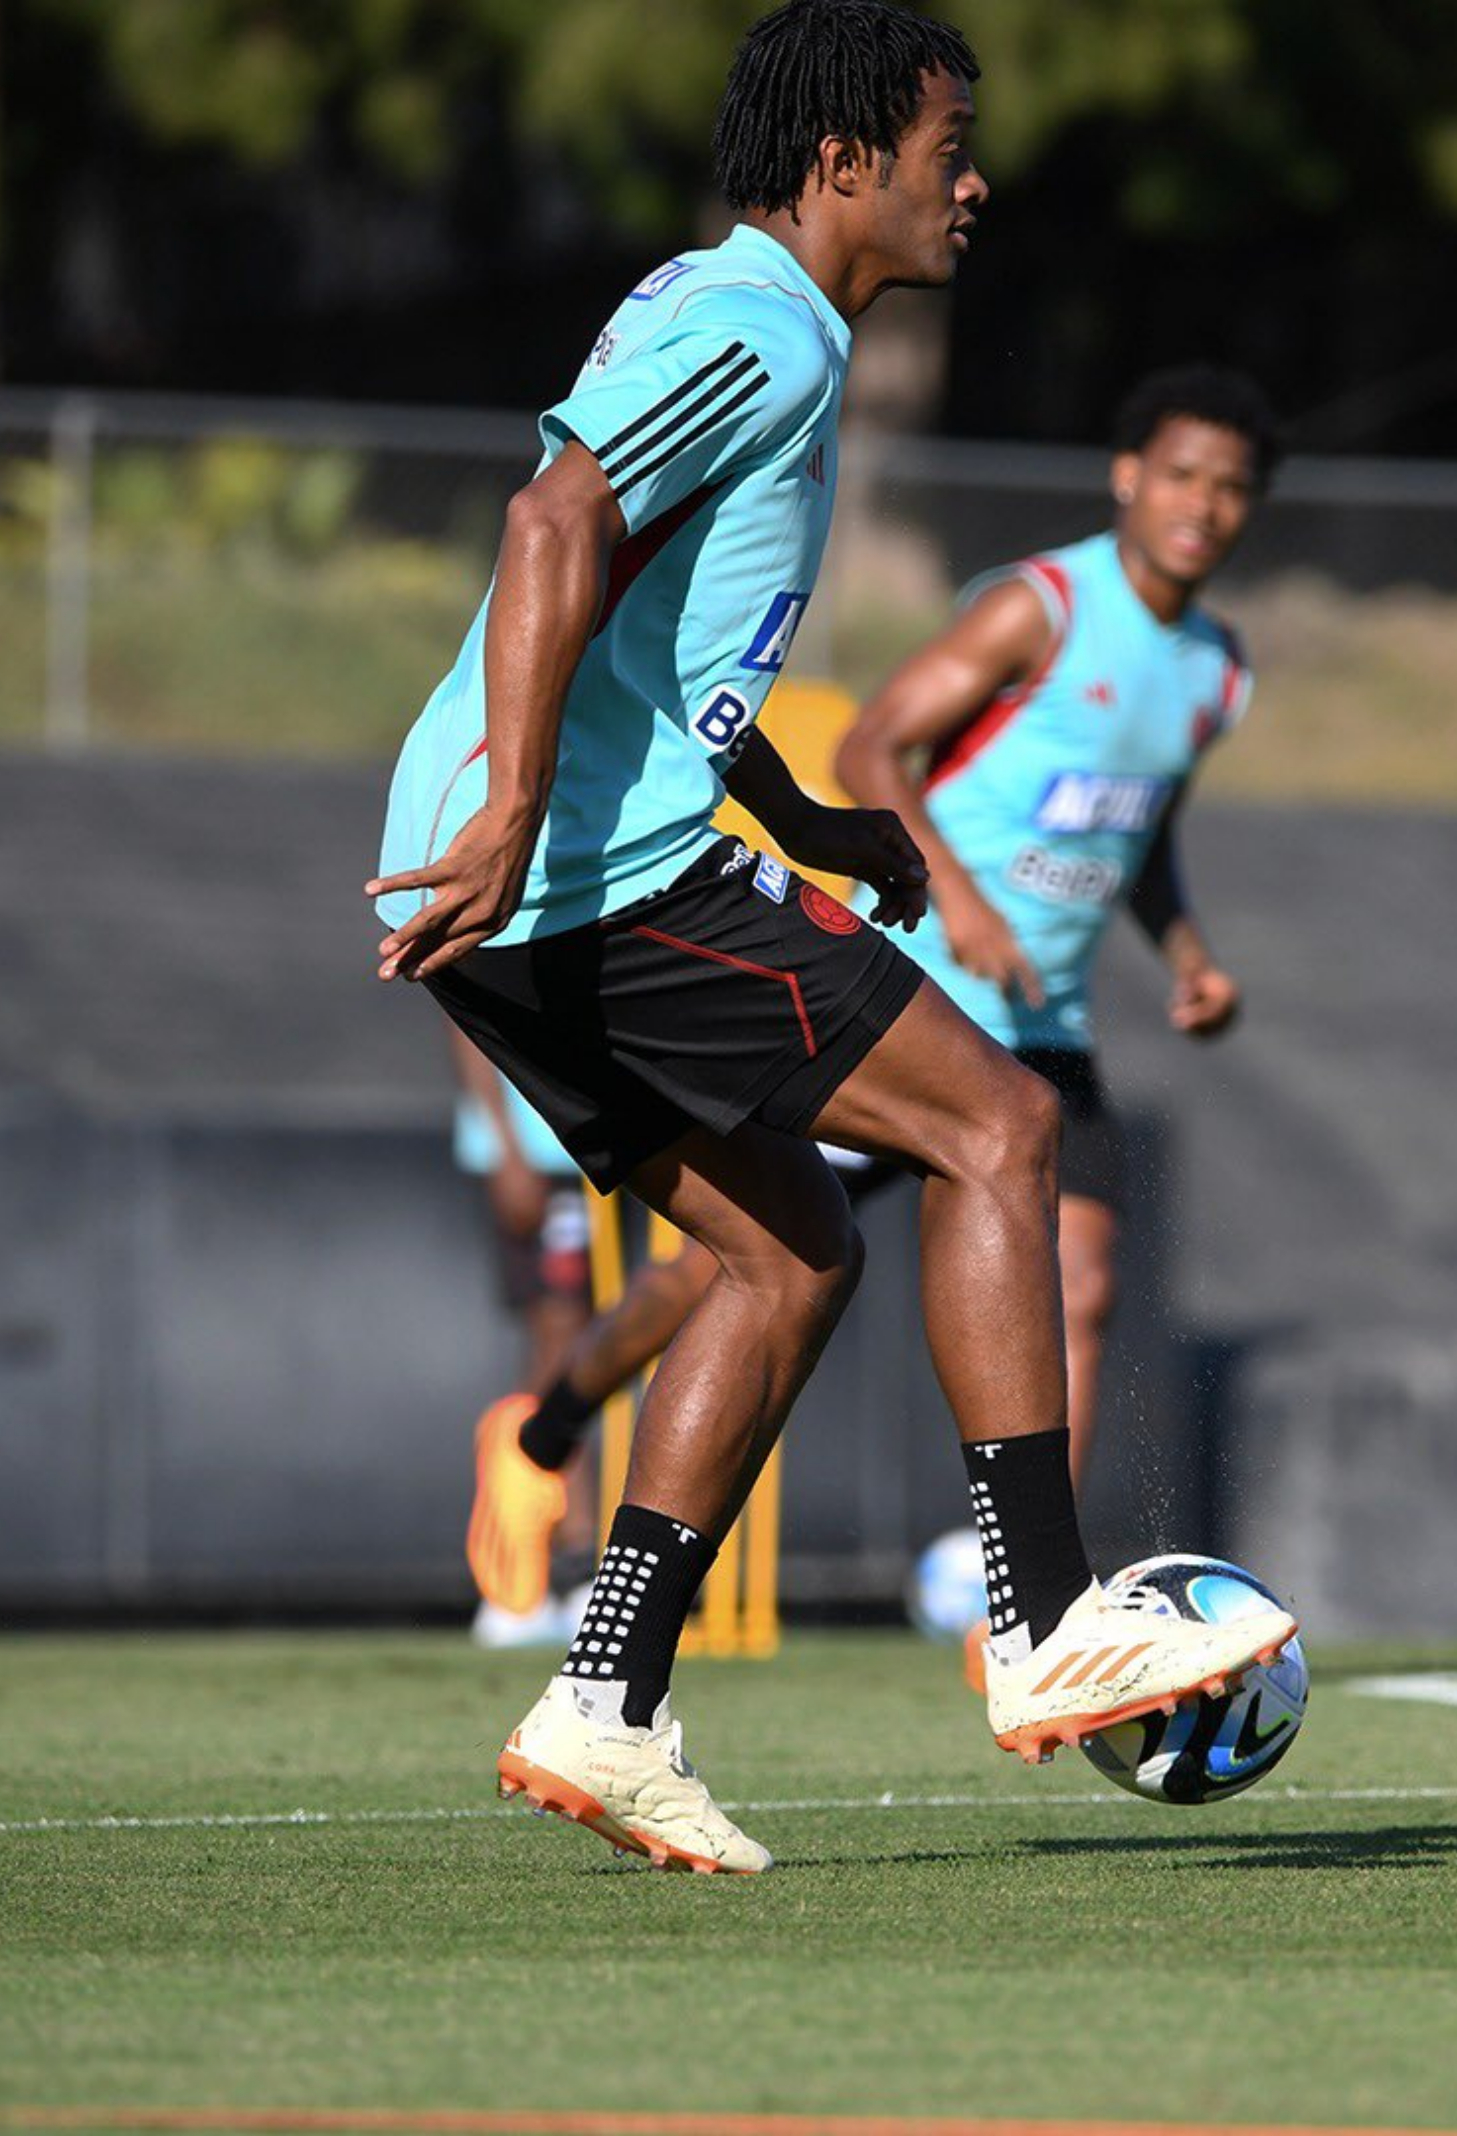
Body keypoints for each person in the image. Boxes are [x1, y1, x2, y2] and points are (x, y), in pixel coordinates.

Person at [366, 0, 1289, 1875]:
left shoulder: (746, 318)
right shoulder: (756, 325)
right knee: (999, 1125)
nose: (975, 179)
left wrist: (791, 814)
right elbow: (555, 523)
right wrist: (521, 809)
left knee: (787, 1254)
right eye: (948, 142)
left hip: (536, 878)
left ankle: (603, 1699)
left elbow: (647, 621)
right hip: (577, 876)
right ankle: (1039, 1617)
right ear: (842, 160)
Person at [467, 366, 1275, 1622]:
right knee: (732, 1268)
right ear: (1128, 477)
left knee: (1090, 1288)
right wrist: (951, 891)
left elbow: (1140, 836)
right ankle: (552, 1425)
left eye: (1231, 489)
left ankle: (1019, 1595)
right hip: (915, 1001)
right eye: (1181, 475)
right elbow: (868, 747)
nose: (1202, 507)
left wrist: (1186, 954)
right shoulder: (1042, 610)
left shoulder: (1218, 672)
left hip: (1046, 1024)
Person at [448, 1032, 596, 1647]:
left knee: (588, 1336)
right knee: (561, 1337)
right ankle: (542, 1566)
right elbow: (464, 1020)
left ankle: (568, 1564)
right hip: (537, 1152)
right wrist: (507, 1147)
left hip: (596, 1146)